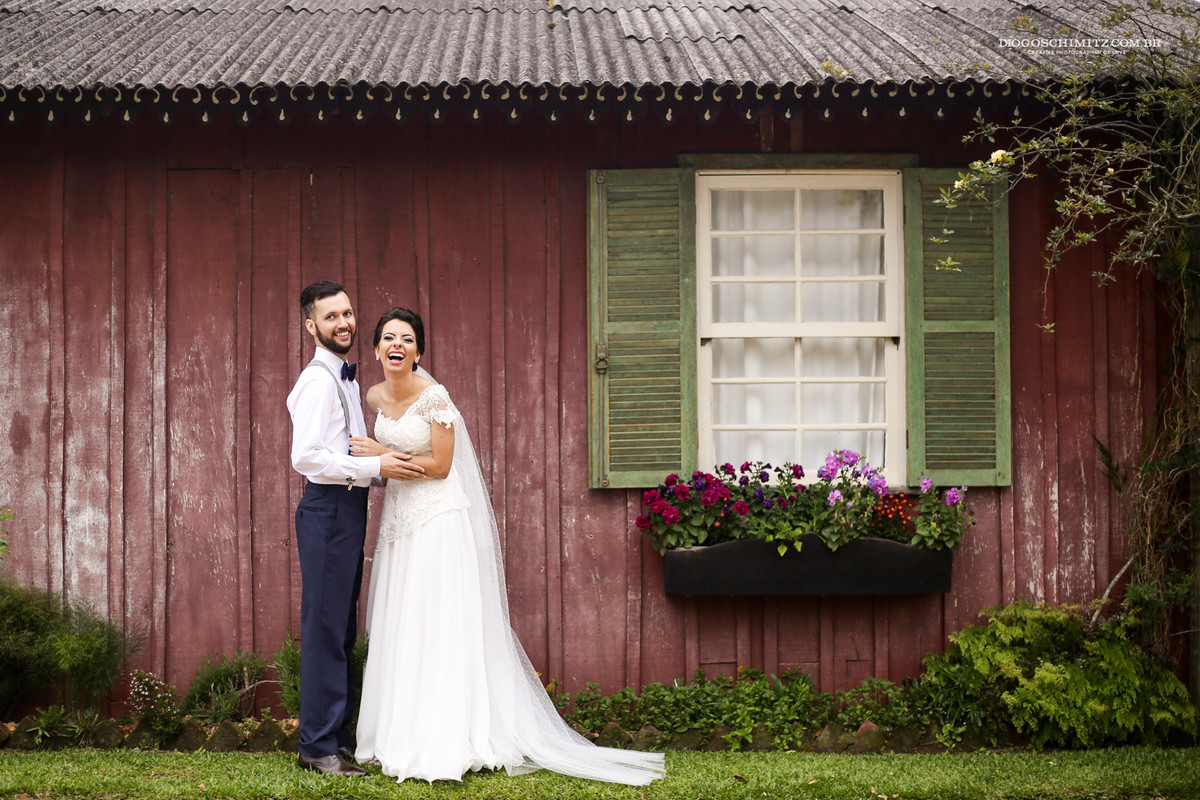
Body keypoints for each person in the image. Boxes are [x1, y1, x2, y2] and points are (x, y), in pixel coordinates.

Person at [350, 307, 666, 785]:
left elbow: (439, 467)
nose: (398, 345)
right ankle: (392, 733)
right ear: (375, 349)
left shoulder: (436, 397)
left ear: (418, 352)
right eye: (389, 337)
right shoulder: (371, 394)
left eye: (408, 339)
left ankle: (445, 734)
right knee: (401, 617)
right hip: (399, 521)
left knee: (436, 619)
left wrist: (382, 455)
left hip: (438, 517)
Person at [286, 281, 424, 778]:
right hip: (327, 508)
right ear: (311, 326)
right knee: (324, 629)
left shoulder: (343, 377)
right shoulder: (318, 381)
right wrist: (377, 466)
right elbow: (306, 457)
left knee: (341, 626)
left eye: (347, 313)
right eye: (330, 317)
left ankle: (335, 735)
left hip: (347, 510)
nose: (343, 323)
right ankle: (316, 746)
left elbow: (344, 444)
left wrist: (375, 457)